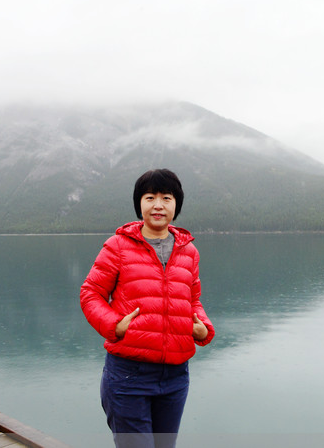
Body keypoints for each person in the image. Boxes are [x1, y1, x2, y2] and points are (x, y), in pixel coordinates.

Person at [80, 168, 215, 448]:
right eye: (150, 197)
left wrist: (202, 328)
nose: (158, 205)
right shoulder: (118, 246)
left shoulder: (188, 251)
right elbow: (90, 293)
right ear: (139, 203)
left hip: (176, 375)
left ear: (176, 204)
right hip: (129, 374)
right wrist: (113, 325)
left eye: (166, 198)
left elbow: (193, 301)